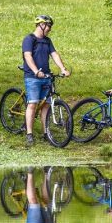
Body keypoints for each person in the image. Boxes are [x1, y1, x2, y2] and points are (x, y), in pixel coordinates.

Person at [22, 15, 71, 146]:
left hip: (46, 76)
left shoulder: (47, 41)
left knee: (46, 105)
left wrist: (63, 69)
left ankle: (45, 133)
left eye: (50, 26)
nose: (49, 29)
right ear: (41, 25)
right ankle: (29, 134)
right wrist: (36, 71)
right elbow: (28, 56)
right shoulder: (29, 39)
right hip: (33, 77)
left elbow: (54, 54)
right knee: (32, 104)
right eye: (48, 26)